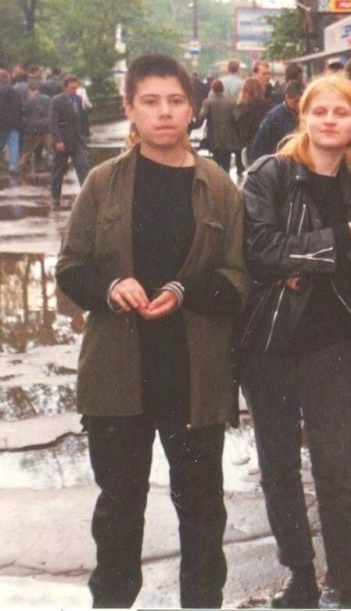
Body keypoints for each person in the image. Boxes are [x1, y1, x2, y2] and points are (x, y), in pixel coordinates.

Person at [55, 53, 250, 608]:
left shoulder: (219, 187)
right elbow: (70, 267)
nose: (164, 112)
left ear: (192, 109)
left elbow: (238, 279)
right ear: (130, 110)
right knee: (119, 509)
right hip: (117, 376)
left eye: (175, 101)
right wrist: (111, 287)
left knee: (203, 509)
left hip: (194, 377)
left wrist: (186, 291)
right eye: (150, 101)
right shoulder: (103, 183)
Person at [238, 73, 351, 610]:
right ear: (303, 117)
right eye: (319, 110)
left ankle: (349, 584)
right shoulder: (270, 174)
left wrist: (303, 260)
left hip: (333, 344)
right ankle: (299, 575)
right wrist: (342, 239)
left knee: (336, 468)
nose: (329, 120)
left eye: (340, 112)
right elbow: (262, 250)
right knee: (278, 466)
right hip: (270, 342)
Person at [49, 74, 91, 208]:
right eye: (72, 88)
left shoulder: (78, 99)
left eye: (76, 88)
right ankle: (55, 198)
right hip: (63, 140)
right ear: (65, 87)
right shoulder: (57, 100)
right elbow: (53, 122)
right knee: (58, 170)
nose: (74, 90)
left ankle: (87, 198)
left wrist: (84, 135)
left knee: (83, 167)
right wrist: (58, 140)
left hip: (77, 140)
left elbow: (81, 119)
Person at [247, 80, 303, 162]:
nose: (299, 104)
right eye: (296, 101)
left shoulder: (304, 113)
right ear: (287, 97)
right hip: (279, 158)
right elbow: (261, 138)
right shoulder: (274, 116)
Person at [197, 78, 243, 175]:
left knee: (216, 161)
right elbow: (237, 118)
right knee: (226, 163)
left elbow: (201, 117)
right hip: (228, 138)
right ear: (223, 89)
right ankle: (225, 179)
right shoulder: (231, 103)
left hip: (214, 137)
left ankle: (217, 179)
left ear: (213, 89)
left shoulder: (207, 102)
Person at [236, 76, 272, 156]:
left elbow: (242, 134)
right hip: (266, 148)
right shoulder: (268, 107)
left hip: (249, 149)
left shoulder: (243, 110)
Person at [20, 80, 52, 173]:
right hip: (47, 127)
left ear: (30, 90)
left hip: (32, 128)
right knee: (50, 149)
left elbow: (24, 113)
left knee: (27, 149)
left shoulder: (29, 100)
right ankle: (54, 165)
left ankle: (22, 166)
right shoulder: (48, 99)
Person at [0, 69, 23, 175]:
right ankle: (13, 167)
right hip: (15, 123)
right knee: (14, 145)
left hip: (2, 123)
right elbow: (20, 107)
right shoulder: (15, 91)